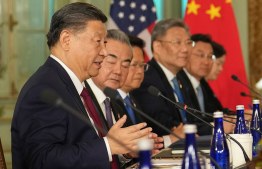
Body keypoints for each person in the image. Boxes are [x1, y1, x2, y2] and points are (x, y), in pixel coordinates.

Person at [11, 3, 151, 169]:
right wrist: (108, 145)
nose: (104, 52)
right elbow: (42, 160)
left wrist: (121, 150)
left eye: (104, 43)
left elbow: (84, 146)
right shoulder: (44, 89)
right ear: (66, 40)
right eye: (98, 41)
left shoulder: (76, 85)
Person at [84, 30, 163, 161]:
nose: (118, 71)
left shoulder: (112, 100)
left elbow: (114, 152)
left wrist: (128, 152)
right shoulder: (80, 97)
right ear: (97, 58)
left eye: (126, 65)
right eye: (111, 61)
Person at [131, 18, 194, 146]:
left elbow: (193, 116)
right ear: (157, 46)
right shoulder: (146, 77)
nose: (185, 49)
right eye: (177, 42)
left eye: (188, 42)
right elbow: (164, 125)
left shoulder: (181, 77)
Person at [177, 34, 216, 135]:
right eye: (200, 55)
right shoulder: (178, 81)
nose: (206, 62)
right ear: (187, 55)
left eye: (210, 56)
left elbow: (214, 111)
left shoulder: (202, 84)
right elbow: (190, 122)